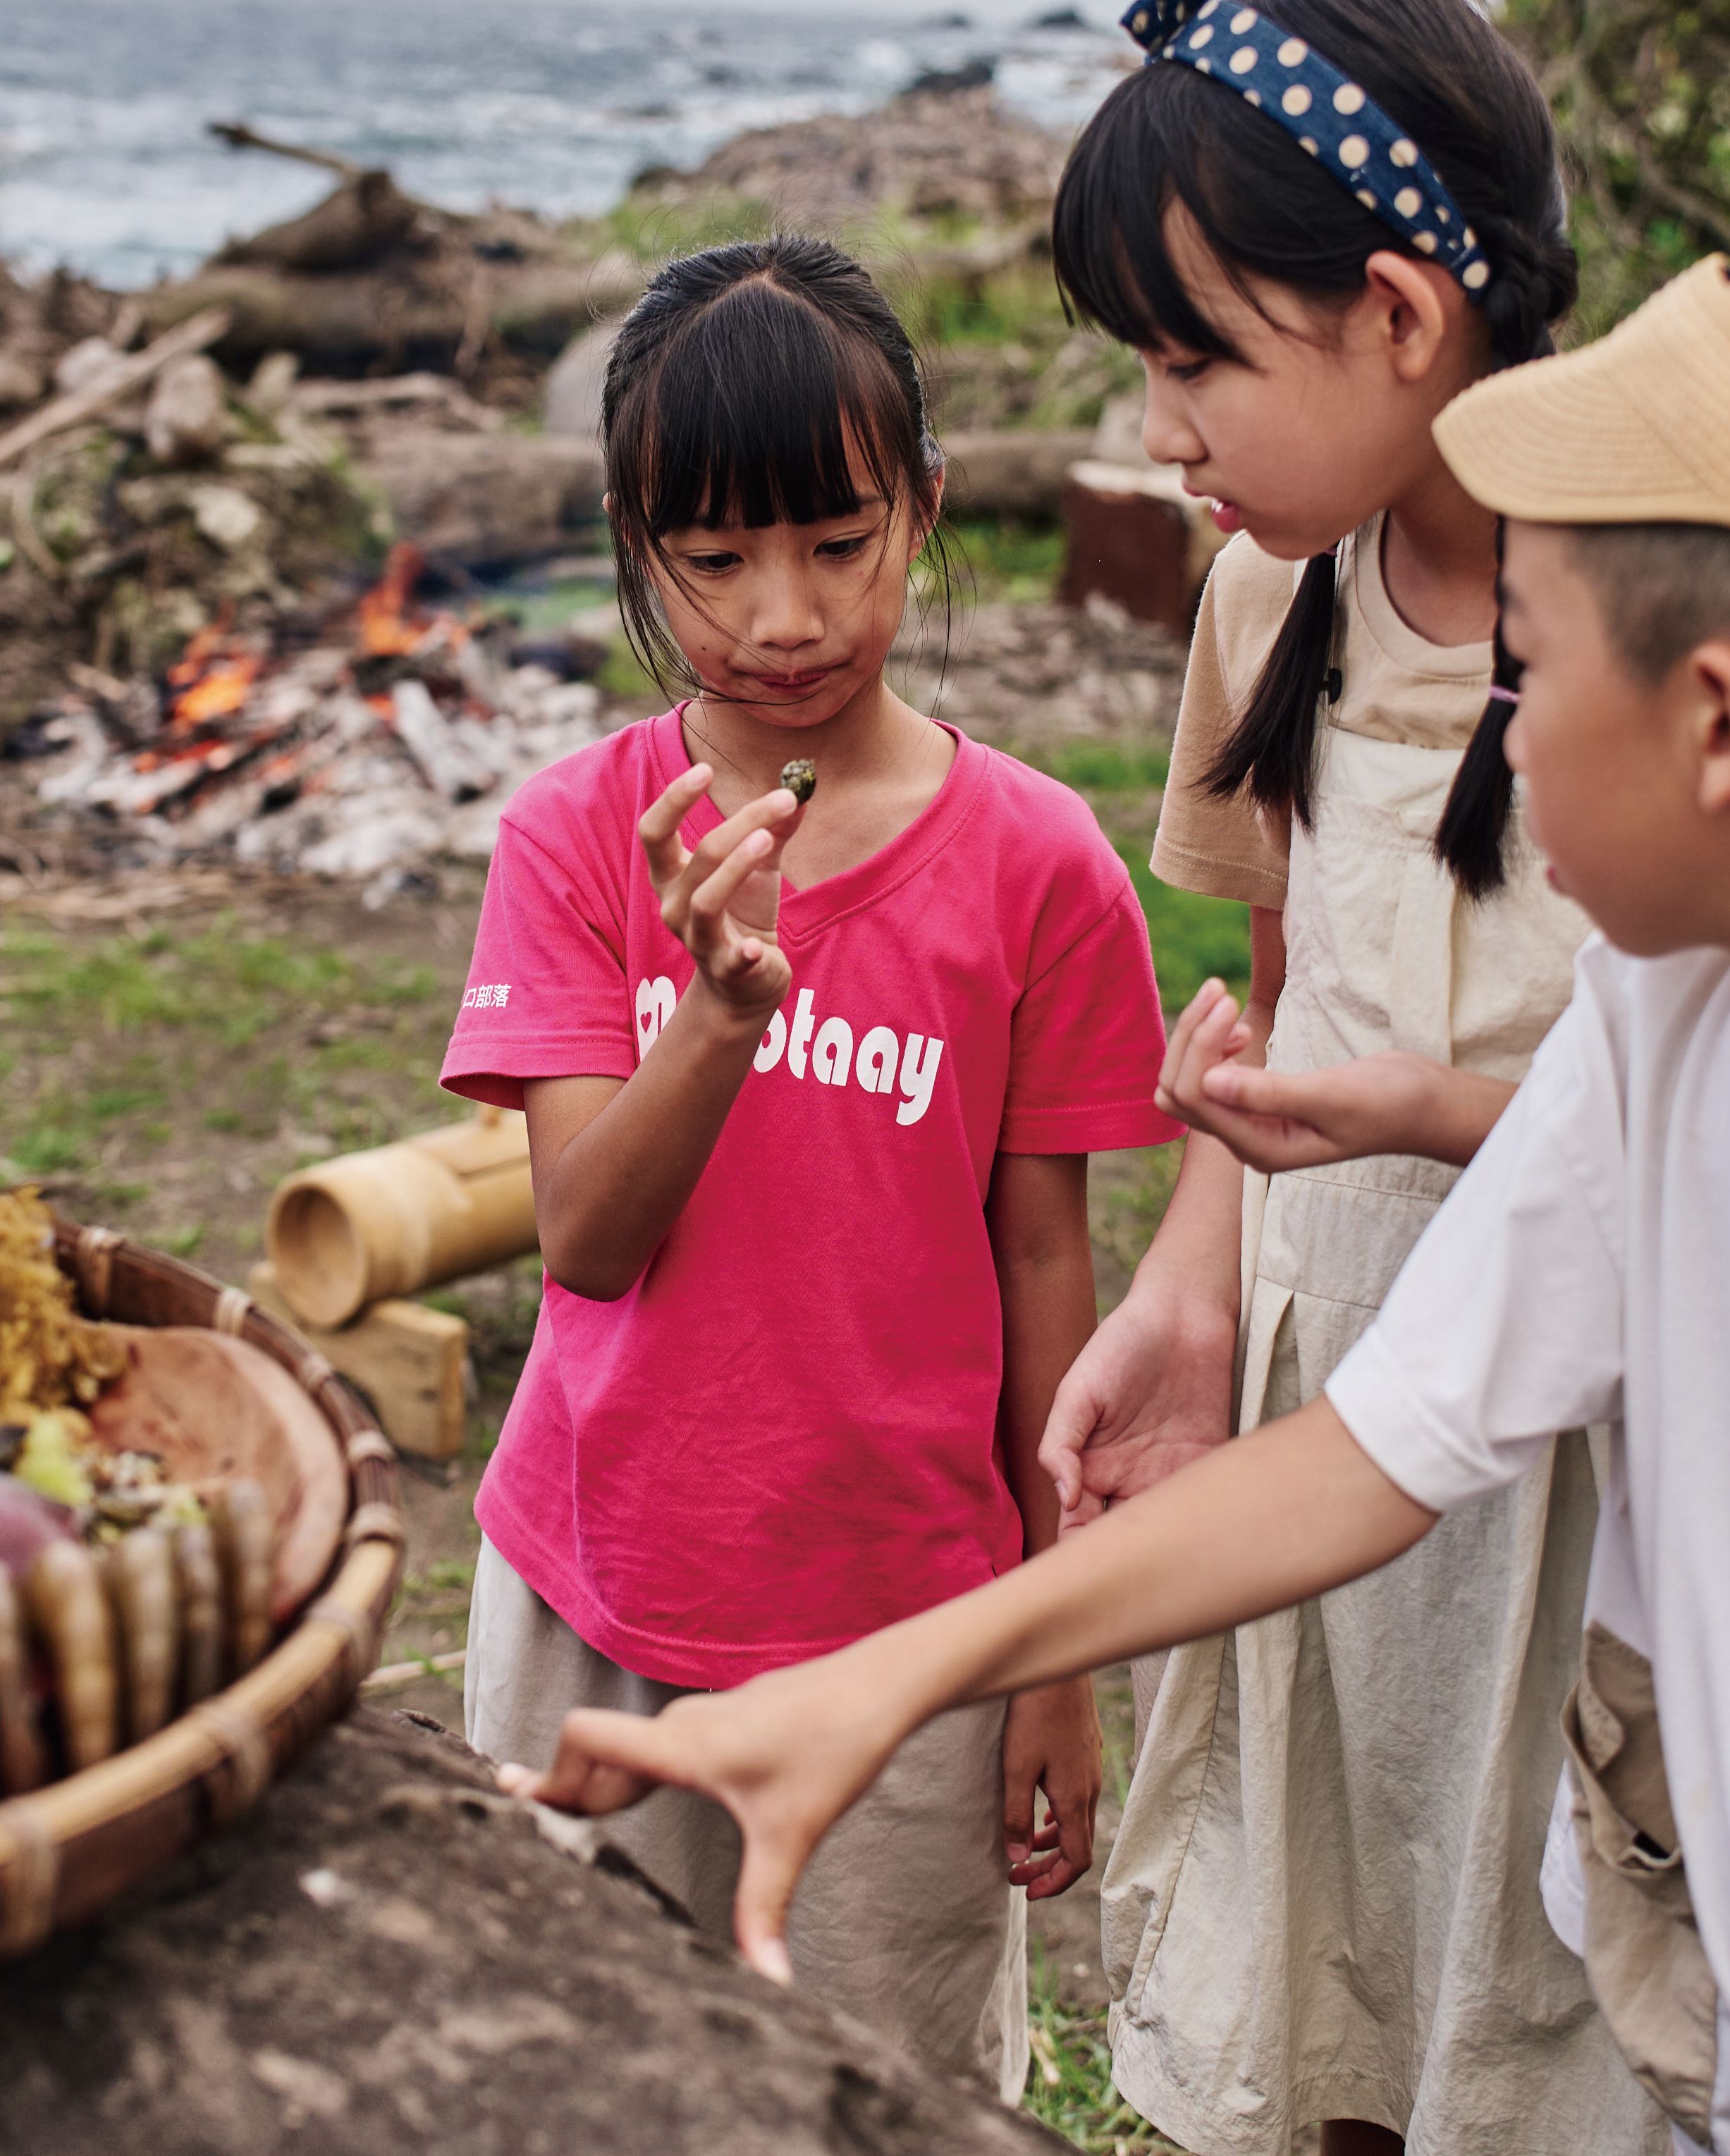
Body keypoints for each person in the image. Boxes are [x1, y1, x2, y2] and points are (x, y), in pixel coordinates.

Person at [510, 190, 1730, 2156]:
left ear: (1722, 723)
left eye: (1535, 674)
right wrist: (899, 1683)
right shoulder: (1665, 1052)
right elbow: (1367, 1450)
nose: (1501, 746)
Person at [437, 235, 1178, 2090]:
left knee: (873, 2093)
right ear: (636, 543)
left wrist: (1051, 1663)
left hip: (907, 1641)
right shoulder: (579, 837)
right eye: (714, 559)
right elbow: (585, 1246)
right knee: (576, 2082)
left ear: (926, 512)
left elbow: (1043, 1280)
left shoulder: (1042, 866)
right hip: (595, 1602)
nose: (784, 612)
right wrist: (718, 1014)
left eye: (839, 543)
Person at [1030, 0, 1655, 2156]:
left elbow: (1729, 1118)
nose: (1163, 427)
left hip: (1585, 1437)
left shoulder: (1662, 623)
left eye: (1197, 352)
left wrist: (1417, 1122)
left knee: (1554, 1969)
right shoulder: (1269, 600)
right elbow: (1294, 993)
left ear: (1402, 313)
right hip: (1326, 1378)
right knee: (1334, 1964)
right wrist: (1193, 1288)